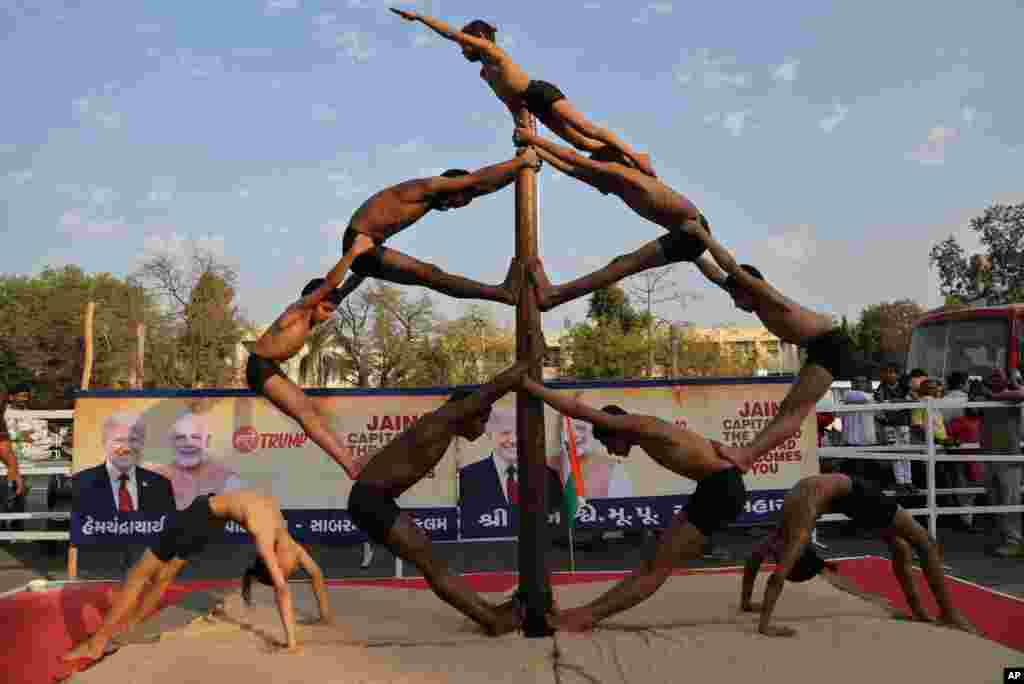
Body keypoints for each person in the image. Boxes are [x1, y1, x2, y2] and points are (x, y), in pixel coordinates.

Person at [515, 376, 747, 632]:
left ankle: (588, 616)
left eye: (608, 443)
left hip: (722, 491)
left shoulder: (635, 425)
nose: (611, 452)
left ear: (617, 429)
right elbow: (694, 442)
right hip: (712, 487)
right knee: (652, 561)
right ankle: (588, 613)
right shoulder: (649, 429)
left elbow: (577, 410)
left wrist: (528, 385)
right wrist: (722, 447)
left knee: (656, 568)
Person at [347, 359, 540, 635]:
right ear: (468, 411)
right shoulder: (441, 421)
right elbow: (492, 388)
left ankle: (487, 612)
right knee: (432, 565)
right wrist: (528, 361)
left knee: (434, 563)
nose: (484, 428)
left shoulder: (441, 424)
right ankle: (491, 620)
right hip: (370, 501)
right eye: (482, 419)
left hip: (374, 499)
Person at [62, 489, 329, 669]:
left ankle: (96, 644)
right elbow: (314, 574)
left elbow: (283, 588)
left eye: (288, 570)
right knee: (163, 576)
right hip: (209, 520)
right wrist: (322, 617)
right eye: (291, 569)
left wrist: (292, 642)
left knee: (138, 575)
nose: (293, 568)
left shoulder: (273, 539)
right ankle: (131, 625)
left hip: (203, 516)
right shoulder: (290, 544)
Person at [669, 222, 855, 476]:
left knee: (794, 410)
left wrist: (703, 236)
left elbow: (731, 268)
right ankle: (747, 454)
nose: (735, 305)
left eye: (737, 298)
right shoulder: (752, 299)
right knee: (790, 408)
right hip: (819, 347)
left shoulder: (767, 296)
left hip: (832, 345)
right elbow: (719, 276)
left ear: (750, 287)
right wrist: (695, 257)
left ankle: (746, 456)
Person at [389, 8, 656, 177]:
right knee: (582, 144)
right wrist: (526, 137)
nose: (462, 50)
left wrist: (421, 18)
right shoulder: (485, 74)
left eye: (465, 45)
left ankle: (635, 154)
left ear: (477, 41)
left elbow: (451, 35)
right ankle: (621, 160)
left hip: (540, 91)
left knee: (586, 128)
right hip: (529, 103)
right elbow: (512, 103)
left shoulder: (492, 53)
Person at [741, 473, 974, 636]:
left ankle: (948, 613)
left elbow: (777, 576)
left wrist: (765, 625)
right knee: (900, 545)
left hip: (854, 492)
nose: (777, 558)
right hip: (837, 496)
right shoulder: (782, 530)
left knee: (924, 543)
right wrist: (746, 603)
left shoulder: (797, 534)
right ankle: (919, 610)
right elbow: (752, 561)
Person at [511, 128, 709, 311]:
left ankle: (553, 295)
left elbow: (575, 159)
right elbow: (574, 171)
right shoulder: (617, 183)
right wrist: (537, 152)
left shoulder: (626, 175)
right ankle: (554, 296)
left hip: (693, 231)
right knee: (621, 264)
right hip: (689, 232)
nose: (599, 189)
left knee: (624, 265)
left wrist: (531, 138)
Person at [330, 150, 541, 308]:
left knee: (431, 276)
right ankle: (504, 293)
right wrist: (521, 162)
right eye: (460, 199)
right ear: (453, 186)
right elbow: (478, 179)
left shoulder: (430, 199)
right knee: (430, 274)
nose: (456, 206)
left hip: (363, 251)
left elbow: (484, 187)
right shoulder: (428, 187)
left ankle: (504, 294)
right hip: (360, 246)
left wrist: (518, 174)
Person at [247, 278, 363, 480]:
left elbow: (342, 288)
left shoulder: (312, 315)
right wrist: (353, 254)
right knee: (307, 416)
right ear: (313, 300)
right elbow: (332, 281)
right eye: (326, 309)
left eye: (331, 311)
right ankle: (351, 467)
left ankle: (351, 463)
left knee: (312, 415)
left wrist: (364, 271)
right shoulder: (297, 311)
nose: (328, 316)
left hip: (269, 367)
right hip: (260, 367)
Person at [72, 413, 176, 517]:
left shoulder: (161, 485)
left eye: (133, 440)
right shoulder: (79, 484)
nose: (126, 447)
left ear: (142, 443)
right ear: (104, 442)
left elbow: (168, 530)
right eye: (119, 440)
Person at [147, 411, 244, 510]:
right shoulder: (157, 476)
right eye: (180, 438)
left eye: (195, 437)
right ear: (172, 442)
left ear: (207, 441)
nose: (188, 443)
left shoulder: (227, 478)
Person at [0, 382, 30, 518]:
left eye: (26, 396)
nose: (25, 399)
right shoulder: (5, 412)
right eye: (22, 396)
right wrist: (21, 436)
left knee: (20, 494)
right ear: (11, 397)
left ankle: (17, 529)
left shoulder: (27, 412)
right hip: (7, 460)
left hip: (22, 459)